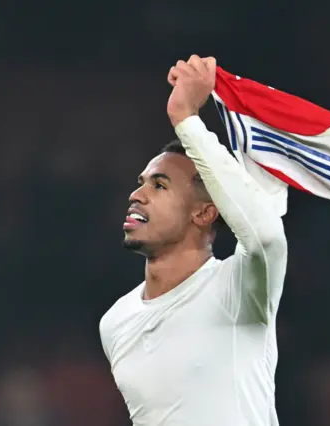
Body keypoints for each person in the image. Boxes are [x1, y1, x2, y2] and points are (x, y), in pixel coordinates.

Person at [99, 55, 288, 426]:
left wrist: (187, 121)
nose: (137, 194)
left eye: (159, 184)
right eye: (141, 182)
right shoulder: (115, 322)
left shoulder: (239, 289)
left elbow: (265, 235)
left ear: (203, 213)